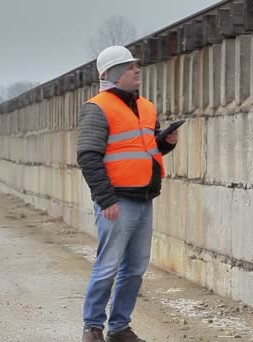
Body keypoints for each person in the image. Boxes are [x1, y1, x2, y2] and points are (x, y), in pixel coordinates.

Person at [77, 45, 179, 342]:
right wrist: (105, 199)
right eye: (130, 66)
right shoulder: (96, 108)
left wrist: (166, 142)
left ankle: (119, 328)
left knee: (134, 268)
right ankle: (92, 327)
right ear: (112, 74)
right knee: (108, 266)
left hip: (144, 198)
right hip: (117, 201)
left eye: (136, 65)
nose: (137, 70)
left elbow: (146, 150)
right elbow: (88, 156)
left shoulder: (146, 107)